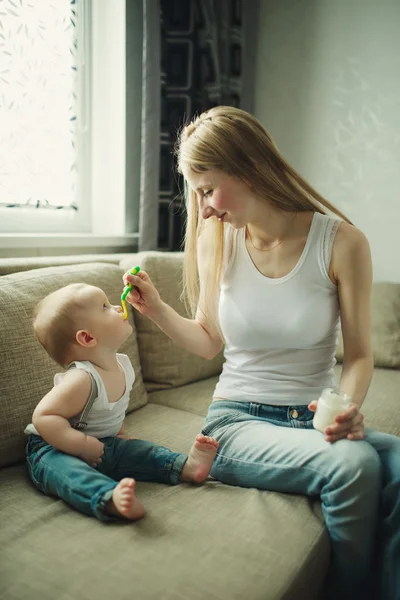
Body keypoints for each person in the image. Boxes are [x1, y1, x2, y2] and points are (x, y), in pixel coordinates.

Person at [123, 106, 400, 598]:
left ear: (248, 165)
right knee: (355, 466)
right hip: (236, 423)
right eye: (197, 194)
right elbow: (209, 338)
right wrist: (159, 310)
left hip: (309, 417)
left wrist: (347, 408)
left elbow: (358, 356)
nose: (204, 208)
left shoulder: (341, 242)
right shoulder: (218, 242)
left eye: (207, 189)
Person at [24, 283, 219, 522]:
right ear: (87, 337)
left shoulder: (123, 365)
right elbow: (43, 416)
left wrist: (119, 434)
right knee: (69, 473)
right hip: (52, 448)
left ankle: (185, 467)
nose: (117, 307)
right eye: (105, 307)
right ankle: (108, 498)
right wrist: (81, 445)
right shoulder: (81, 379)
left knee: (142, 451)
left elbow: (113, 410)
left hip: (101, 443)